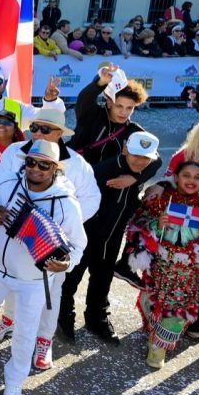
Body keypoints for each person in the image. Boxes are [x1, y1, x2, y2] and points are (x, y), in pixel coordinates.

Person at [0, 108, 99, 368]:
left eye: (45, 129)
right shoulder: (16, 151)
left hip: (48, 248)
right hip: (10, 246)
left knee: (50, 295)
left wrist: (53, 231)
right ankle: (8, 321)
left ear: (60, 133)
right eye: (35, 127)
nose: (38, 133)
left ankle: (44, 340)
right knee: (9, 283)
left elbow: (92, 200)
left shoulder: (76, 162)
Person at [0, 141, 86, 395]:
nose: (36, 169)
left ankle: (14, 382)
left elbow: (78, 245)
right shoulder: (7, 183)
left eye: (44, 165)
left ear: (55, 168)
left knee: (25, 333)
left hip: (33, 281)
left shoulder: (66, 204)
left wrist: (66, 264)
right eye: (31, 162)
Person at [60, 132, 161, 346]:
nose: (139, 161)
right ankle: (64, 317)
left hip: (112, 235)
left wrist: (136, 179)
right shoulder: (102, 171)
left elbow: (158, 162)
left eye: (145, 158)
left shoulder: (140, 170)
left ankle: (96, 318)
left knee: (102, 277)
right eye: (134, 154)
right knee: (71, 277)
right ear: (124, 149)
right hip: (86, 233)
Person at [128, 162, 199, 369]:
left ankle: (158, 348)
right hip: (161, 266)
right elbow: (138, 228)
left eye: (197, 177)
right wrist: (156, 225)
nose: (191, 181)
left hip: (192, 271)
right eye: (186, 175)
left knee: (178, 311)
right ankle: (155, 333)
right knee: (153, 302)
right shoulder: (162, 199)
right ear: (177, 177)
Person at [67, 64, 151, 166]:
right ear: (109, 103)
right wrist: (101, 82)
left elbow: (156, 160)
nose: (124, 112)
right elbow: (85, 98)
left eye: (129, 108)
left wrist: (134, 177)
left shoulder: (132, 130)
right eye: (119, 106)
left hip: (106, 179)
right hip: (75, 170)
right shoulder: (91, 114)